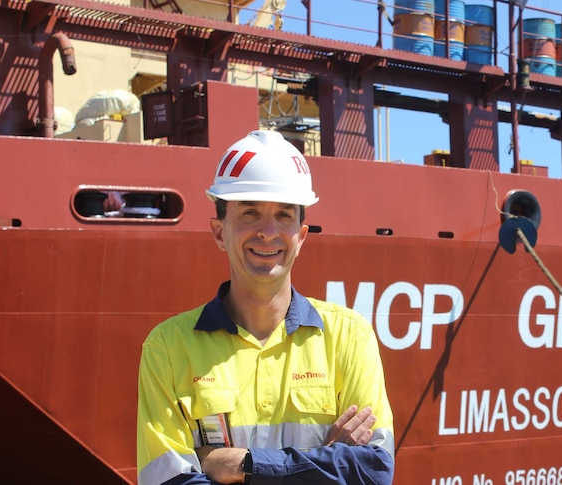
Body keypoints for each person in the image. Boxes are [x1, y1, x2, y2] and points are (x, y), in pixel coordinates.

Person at [136, 130, 395, 485]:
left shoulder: (349, 337)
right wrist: (323, 464)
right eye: (249, 212)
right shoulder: (167, 347)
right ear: (218, 231)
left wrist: (244, 464)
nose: (268, 232)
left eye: (284, 215)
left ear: (301, 236)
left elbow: (373, 472)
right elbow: (165, 481)